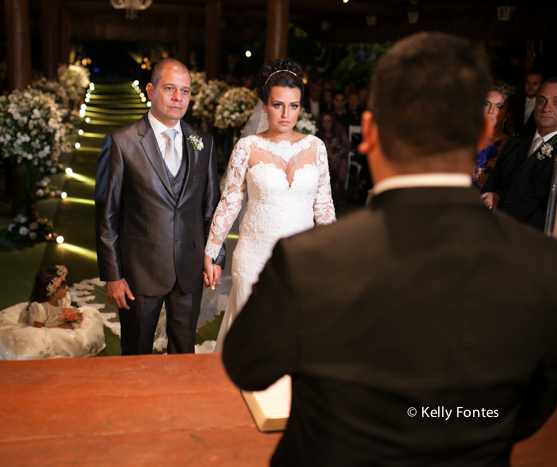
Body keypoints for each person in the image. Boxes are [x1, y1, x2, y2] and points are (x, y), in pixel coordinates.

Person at [223, 32, 557, 466]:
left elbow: (249, 366)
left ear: (372, 132)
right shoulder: (542, 268)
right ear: (480, 133)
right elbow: (532, 410)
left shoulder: (311, 260)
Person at [204, 58, 336, 352]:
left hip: (300, 261)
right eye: (278, 105)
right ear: (264, 105)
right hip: (253, 256)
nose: (286, 114)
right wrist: (212, 252)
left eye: (294, 105)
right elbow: (230, 204)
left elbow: (324, 208)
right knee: (251, 342)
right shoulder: (247, 148)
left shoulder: (315, 147)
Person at [95, 58, 225, 355]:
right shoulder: (121, 142)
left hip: (188, 268)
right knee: (136, 352)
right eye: (170, 89)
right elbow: (106, 216)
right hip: (139, 270)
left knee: (184, 353)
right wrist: (113, 275)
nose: (178, 98)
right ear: (151, 89)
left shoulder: (202, 142)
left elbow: (211, 208)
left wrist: (216, 256)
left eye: (186, 91)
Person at [0, 266, 105, 360]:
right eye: (63, 287)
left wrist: (70, 316)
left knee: (90, 313)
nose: (67, 288)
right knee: (42, 341)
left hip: (59, 325)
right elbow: (38, 330)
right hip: (47, 330)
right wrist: (59, 327)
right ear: (53, 291)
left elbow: (62, 312)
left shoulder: (63, 299)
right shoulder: (39, 308)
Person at [482, 77, 557, 230]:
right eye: (541, 101)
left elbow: (550, 211)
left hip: (530, 242)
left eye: (556, 102)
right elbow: (491, 185)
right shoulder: (514, 144)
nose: (546, 108)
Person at [472, 83, 514, 190]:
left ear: (507, 113)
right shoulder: (466, 136)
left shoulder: (510, 146)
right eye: (486, 104)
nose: (491, 111)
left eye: (499, 106)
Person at [320, 111, 351, 204]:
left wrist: (341, 150)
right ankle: (335, 193)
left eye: (328, 121)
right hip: (326, 159)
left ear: (332, 122)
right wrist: (330, 155)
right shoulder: (319, 133)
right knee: (332, 164)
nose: (326, 124)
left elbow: (348, 145)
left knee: (343, 163)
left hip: (340, 157)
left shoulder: (339, 129)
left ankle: (339, 192)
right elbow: (318, 151)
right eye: (324, 121)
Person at [513, 70, 542, 137]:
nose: (530, 86)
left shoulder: (544, 108)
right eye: (528, 83)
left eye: (535, 83)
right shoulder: (516, 105)